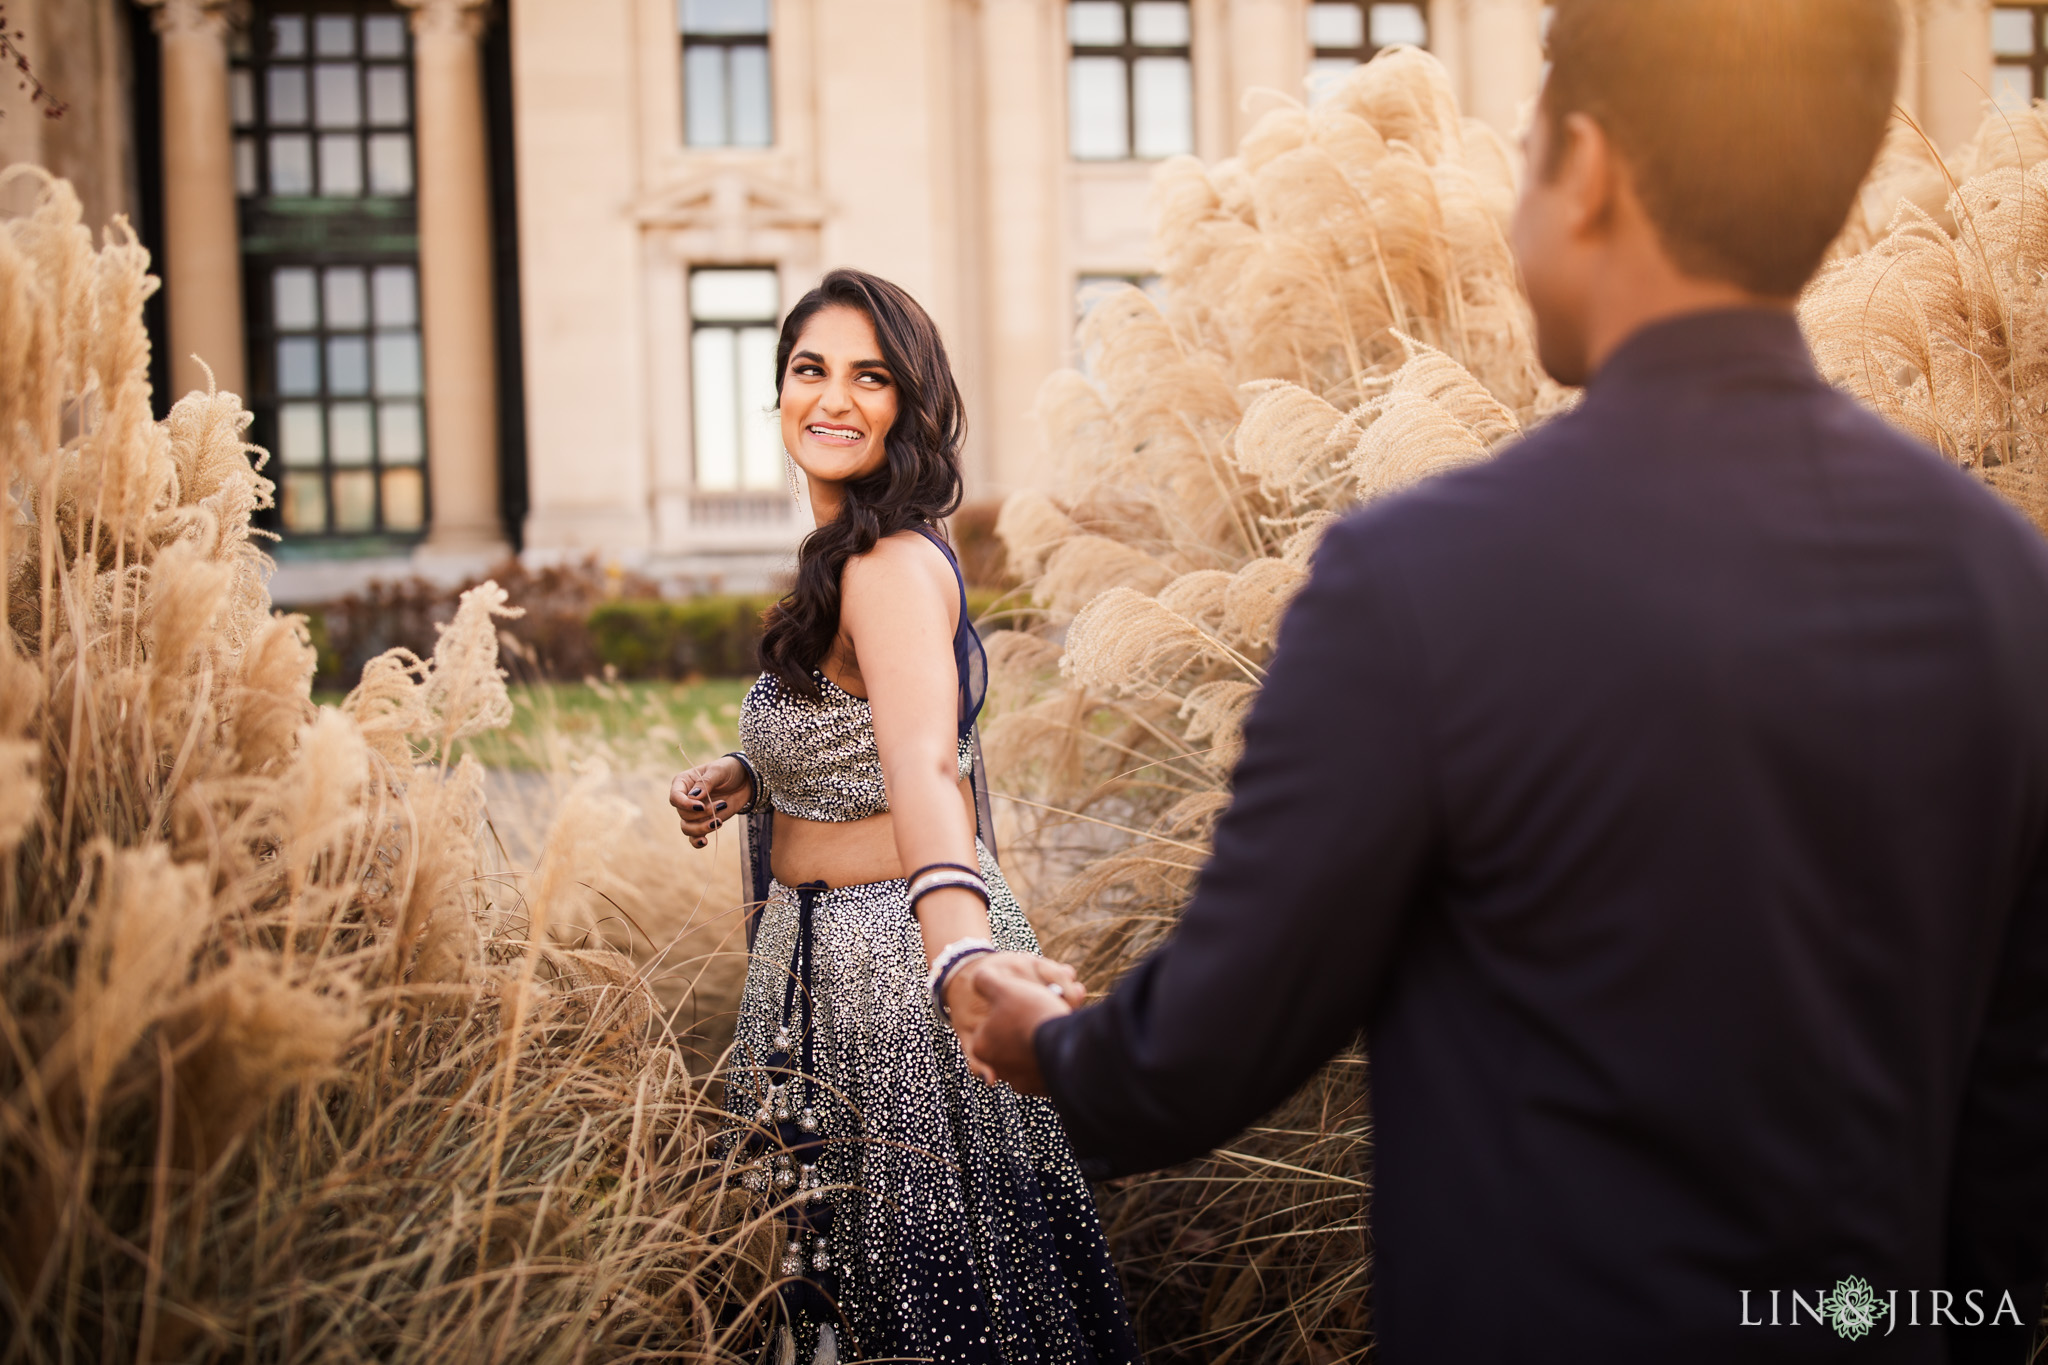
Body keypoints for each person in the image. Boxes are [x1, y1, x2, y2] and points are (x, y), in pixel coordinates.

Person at [962, 2, 2048, 1361]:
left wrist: (1042, 1047)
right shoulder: (2006, 583)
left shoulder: (1415, 578)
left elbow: (1202, 1052)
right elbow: (2012, 1147)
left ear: (1585, 171)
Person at [668, 269, 1139, 1365]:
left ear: (906, 403)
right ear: (779, 389)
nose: (830, 398)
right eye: (807, 369)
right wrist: (748, 771)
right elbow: (868, 734)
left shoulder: (882, 563)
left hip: (888, 979)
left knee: (920, 1307)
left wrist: (958, 964)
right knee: (868, 1295)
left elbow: (927, 767)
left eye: (866, 376)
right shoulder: (850, 555)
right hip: (817, 963)